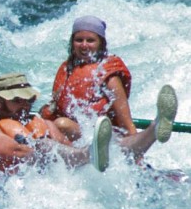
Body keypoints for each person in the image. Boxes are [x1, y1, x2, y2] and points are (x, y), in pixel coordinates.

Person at [40, 15, 178, 161]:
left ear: (101, 43)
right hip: (78, 143)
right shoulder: (66, 70)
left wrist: (138, 161)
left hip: (107, 136)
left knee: (63, 124)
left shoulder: (108, 74)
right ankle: (83, 155)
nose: (84, 45)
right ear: (72, 42)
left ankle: (154, 129)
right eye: (79, 40)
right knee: (54, 125)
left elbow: (126, 123)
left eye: (90, 40)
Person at [0, 73, 112, 175]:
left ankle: (98, 152)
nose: (25, 106)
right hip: (7, 189)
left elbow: (69, 152)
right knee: (43, 144)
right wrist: (47, 150)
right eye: (17, 101)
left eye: (29, 100)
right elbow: (18, 153)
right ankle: (88, 154)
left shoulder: (45, 125)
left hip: (43, 185)